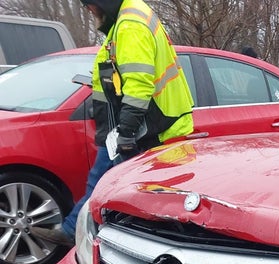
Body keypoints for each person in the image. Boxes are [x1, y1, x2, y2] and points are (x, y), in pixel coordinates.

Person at [33, 0, 193, 246]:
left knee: (110, 183)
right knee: (120, 186)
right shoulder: (125, 21)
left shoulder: (130, 24)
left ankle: (77, 233)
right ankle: (81, 232)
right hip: (149, 123)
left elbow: (139, 83)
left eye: (90, 5)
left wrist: (126, 132)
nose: (89, 10)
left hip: (153, 126)